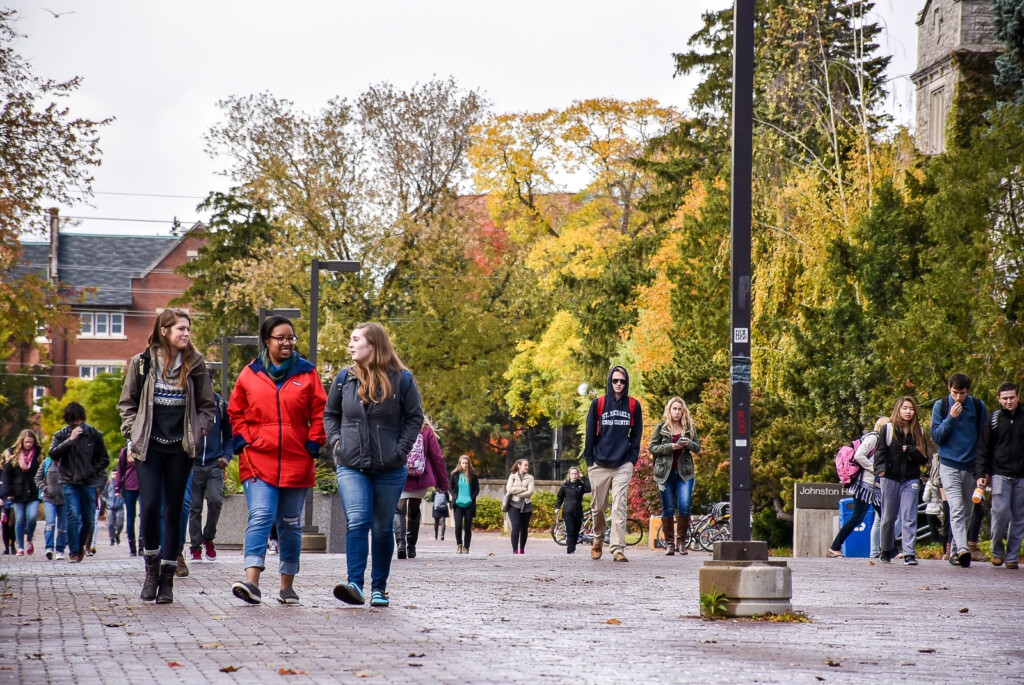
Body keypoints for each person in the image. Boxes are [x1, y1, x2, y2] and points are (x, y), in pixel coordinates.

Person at [118, 309, 216, 604]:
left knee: (174, 511)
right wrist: (131, 435)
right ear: (165, 331)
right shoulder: (142, 363)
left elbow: (208, 407)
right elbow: (127, 404)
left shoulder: (196, 365)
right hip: (149, 446)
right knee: (148, 508)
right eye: (181, 329)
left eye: (188, 329)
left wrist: (197, 434)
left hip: (181, 448)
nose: (186, 334)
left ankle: (168, 579)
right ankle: (151, 571)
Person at [227, 315, 327, 605]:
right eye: (280, 337)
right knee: (260, 515)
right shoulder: (249, 374)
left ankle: (287, 585)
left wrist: (312, 442)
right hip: (258, 458)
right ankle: (252, 582)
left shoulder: (307, 373)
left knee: (290, 523)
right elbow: (235, 412)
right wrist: (244, 440)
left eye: (291, 338)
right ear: (267, 340)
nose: (286, 342)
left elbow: (321, 411)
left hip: (298, 459)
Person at [324, 322, 423, 608]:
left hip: (389, 467)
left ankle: (379, 588)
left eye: (356, 340)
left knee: (381, 528)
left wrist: (400, 451)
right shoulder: (344, 379)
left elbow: (414, 418)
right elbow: (330, 415)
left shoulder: (402, 380)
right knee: (357, 521)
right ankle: (354, 583)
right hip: (351, 464)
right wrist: (338, 443)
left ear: (373, 346)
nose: (350, 345)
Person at [583, 365, 643, 562]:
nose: (619, 384)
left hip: (622, 464)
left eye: (622, 381)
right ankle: (598, 540)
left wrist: (631, 460)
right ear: (610, 381)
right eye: (615, 380)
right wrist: (590, 461)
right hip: (599, 464)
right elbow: (590, 433)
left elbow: (636, 435)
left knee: (619, 505)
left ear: (626, 383)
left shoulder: (633, 405)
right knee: (598, 508)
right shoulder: (598, 403)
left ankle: (618, 548)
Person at [931, 372, 987, 567]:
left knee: (966, 512)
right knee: (955, 508)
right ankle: (964, 549)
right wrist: (951, 418)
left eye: (961, 393)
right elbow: (936, 436)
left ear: (967, 391)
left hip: (971, 467)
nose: (957, 397)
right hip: (949, 465)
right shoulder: (941, 406)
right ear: (949, 389)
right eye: (954, 392)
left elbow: (984, 440)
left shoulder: (978, 407)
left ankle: (956, 553)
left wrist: (983, 470)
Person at [48, 401, 110, 564]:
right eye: (72, 420)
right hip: (68, 481)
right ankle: (74, 552)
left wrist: (92, 471)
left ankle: (81, 545)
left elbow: (104, 459)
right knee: (73, 515)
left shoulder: (94, 434)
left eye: (78, 420)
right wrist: (70, 440)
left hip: (88, 482)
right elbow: (53, 454)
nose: (76, 423)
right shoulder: (61, 435)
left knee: (89, 520)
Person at [975, 381, 1024, 569]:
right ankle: (997, 551)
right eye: (1005, 398)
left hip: (1021, 475)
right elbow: (984, 448)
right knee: (1000, 513)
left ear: (1018, 397)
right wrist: (982, 473)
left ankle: (1012, 557)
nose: (1009, 401)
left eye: (1012, 397)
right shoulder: (994, 419)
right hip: (1000, 474)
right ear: (999, 399)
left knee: (1019, 518)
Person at [875, 397, 929, 565]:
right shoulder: (888, 429)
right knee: (888, 518)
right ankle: (885, 549)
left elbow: (924, 458)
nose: (908, 411)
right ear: (898, 409)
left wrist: (912, 450)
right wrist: (881, 470)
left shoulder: (919, 431)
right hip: (890, 478)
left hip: (910, 479)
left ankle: (909, 553)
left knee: (909, 516)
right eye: (905, 408)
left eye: (911, 409)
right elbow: (880, 452)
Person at [827, 418, 887, 558]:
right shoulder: (874, 438)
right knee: (857, 517)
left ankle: (891, 550)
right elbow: (859, 455)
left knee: (885, 518)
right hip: (865, 486)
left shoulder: (881, 441)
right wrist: (874, 469)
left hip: (874, 488)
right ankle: (835, 547)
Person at [649, 397, 702, 556]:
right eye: (674, 409)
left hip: (684, 474)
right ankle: (670, 544)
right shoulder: (661, 428)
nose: (677, 412)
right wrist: (670, 447)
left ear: (683, 411)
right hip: (664, 474)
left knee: (684, 505)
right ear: (669, 410)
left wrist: (687, 444)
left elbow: (697, 447)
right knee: (668, 508)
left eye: (680, 409)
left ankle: (682, 543)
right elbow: (652, 448)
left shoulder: (689, 428)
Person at [189, 386, 232, 563]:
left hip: (215, 464)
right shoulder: (190, 405)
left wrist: (227, 456)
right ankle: (195, 547)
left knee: (215, 501)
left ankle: (208, 538)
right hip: (193, 465)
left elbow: (229, 436)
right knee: (194, 507)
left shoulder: (221, 405)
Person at [393, 418, 447, 559]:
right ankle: (411, 547)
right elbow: (437, 458)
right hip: (420, 477)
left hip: (400, 475)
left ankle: (401, 543)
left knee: (398, 509)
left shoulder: (396, 426)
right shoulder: (426, 431)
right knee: (414, 510)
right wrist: (443, 482)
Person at [1, 430, 42, 556]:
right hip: (17, 492)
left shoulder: (38, 455)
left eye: (31, 442)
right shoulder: (14, 454)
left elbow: (41, 473)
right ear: (22, 441)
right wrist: (6, 492)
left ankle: (29, 538)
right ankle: (21, 547)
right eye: (27, 442)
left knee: (32, 517)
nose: (29, 444)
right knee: (19, 519)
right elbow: (7, 475)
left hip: (33, 491)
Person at [34, 450, 66, 559]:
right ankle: (49, 547)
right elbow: (37, 478)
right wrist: (45, 488)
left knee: (63, 526)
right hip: (49, 498)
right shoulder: (47, 462)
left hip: (64, 499)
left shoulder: (68, 463)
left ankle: (60, 549)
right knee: (50, 523)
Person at [555, 465, 590, 554]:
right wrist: (557, 507)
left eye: (576, 474)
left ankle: (572, 548)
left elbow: (589, 488)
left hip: (578, 511)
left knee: (576, 531)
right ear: (569, 475)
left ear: (578, 475)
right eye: (572, 474)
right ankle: (570, 550)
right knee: (570, 531)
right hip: (568, 511)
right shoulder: (565, 486)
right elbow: (560, 497)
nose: (574, 475)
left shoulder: (580, 485)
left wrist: (583, 477)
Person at [449, 454, 479, 554]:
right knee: (458, 526)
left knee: (467, 527)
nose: (465, 465)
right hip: (458, 504)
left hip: (469, 505)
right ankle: (459, 545)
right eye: (463, 463)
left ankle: (466, 547)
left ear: (469, 464)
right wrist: (455, 496)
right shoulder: (455, 475)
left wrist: (471, 498)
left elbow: (476, 489)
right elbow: (450, 488)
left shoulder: (473, 475)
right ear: (460, 464)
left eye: (466, 463)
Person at [505, 459, 535, 554]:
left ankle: (522, 549)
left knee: (524, 528)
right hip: (513, 504)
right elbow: (509, 489)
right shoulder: (512, 476)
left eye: (528, 465)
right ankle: (515, 550)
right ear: (519, 465)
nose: (527, 467)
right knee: (516, 526)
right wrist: (522, 489)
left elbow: (530, 492)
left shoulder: (530, 478)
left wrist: (517, 492)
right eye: (525, 465)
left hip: (526, 505)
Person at [116, 447, 141, 556]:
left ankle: (142, 545)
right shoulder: (125, 451)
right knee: (130, 517)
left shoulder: (147, 448)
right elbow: (120, 470)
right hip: (129, 487)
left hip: (144, 486)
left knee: (146, 515)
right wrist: (117, 487)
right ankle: (132, 546)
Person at [103, 473, 125, 546]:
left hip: (119, 506)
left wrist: (122, 500)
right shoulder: (108, 483)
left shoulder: (122, 483)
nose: (114, 475)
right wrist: (107, 501)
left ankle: (117, 534)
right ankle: (112, 538)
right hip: (110, 507)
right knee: (110, 524)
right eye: (113, 474)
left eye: (116, 474)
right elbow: (104, 494)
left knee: (120, 523)